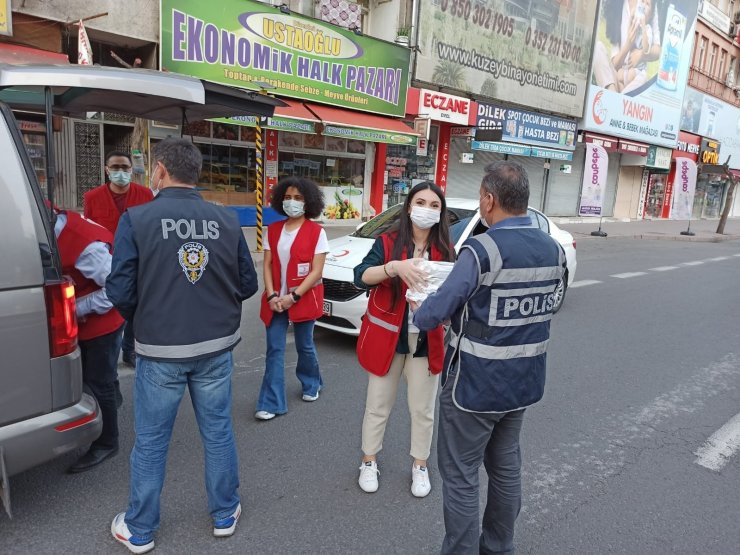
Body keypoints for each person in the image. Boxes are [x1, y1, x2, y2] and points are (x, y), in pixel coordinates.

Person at [106, 138, 258, 553]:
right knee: (218, 432)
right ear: (197, 173)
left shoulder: (137, 219)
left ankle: (140, 529)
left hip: (160, 351)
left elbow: (119, 290)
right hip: (216, 347)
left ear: (159, 170)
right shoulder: (226, 221)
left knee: (152, 441)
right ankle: (225, 512)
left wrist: (147, 316)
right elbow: (248, 284)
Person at [412, 162, 566, 554]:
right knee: (505, 469)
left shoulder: (483, 249)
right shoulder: (553, 249)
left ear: (489, 199)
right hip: (524, 384)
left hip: (474, 388)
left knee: (462, 475)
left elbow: (434, 312)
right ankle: (499, 547)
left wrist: (423, 306)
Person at [353, 181, 454, 498]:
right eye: (421, 202)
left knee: (423, 409)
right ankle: (368, 460)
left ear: (440, 212)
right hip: (388, 338)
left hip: (426, 341)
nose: (427, 209)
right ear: (409, 206)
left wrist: (434, 306)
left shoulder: (445, 251)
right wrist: (393, 267)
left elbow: (453, 297)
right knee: (378, 404)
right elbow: (360, 275)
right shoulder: (387, 242)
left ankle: (420, 465)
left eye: (434, 205)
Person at [54, 207, 125, 473]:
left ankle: (108, 441)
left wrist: (73, 308)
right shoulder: (57, 226)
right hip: (89, 315)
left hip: (102, 320)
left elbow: (116, 289)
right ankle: (113, 401)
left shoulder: (85, 247)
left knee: (98, 380)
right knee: (103, 376)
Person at [255, 177, 328, 421]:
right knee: (274, 349)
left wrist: (293, 297)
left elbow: (317, 271)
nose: (292, 202)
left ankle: (312, 382)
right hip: (275, 300)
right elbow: (267, 264)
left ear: (308, 203)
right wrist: (273, 294)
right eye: (287, 197)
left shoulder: (317, 232)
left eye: (298, 198)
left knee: (304, 346)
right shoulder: (273, 230)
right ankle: (271, 402)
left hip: (302, 298)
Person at [84, 151, 154, 367]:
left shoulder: (145, 195)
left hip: (137, 259)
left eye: (125, 167)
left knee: (134, 305)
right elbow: (88, 230)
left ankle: (130, 349)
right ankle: (109, 351)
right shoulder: (92, 197)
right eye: (115, 167)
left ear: (132, 170)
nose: (120, 172)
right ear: (107, 169)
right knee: (109, 307)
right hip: (104, 262)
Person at [592, 0, 661, 93]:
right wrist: (628, 44)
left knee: (643, 78)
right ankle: (613, 95)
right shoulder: (616, 5)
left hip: (635, 77)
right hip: (619, 75)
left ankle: (614, 99)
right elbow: (614, 65)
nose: (644, 4)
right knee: (597, 48)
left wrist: (641, 54)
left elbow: (657, 50)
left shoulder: (648, 4)